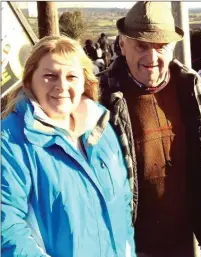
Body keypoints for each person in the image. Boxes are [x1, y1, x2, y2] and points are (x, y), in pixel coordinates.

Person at [99, 2, 201, 257]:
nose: (152, 58)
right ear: (122, 45)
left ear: (173, 47)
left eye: (161, 46)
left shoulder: (190, 84)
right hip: (130, 241)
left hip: (184, 235)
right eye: (141, 45)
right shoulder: (101, 93)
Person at [1, 35, 136, 257]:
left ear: (84, 82)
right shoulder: (10, 142)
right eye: (49, 76)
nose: (61, 86)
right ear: (29, 81)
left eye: (71, 76)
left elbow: (122, 203)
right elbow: (7, 229)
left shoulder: (101, 129)